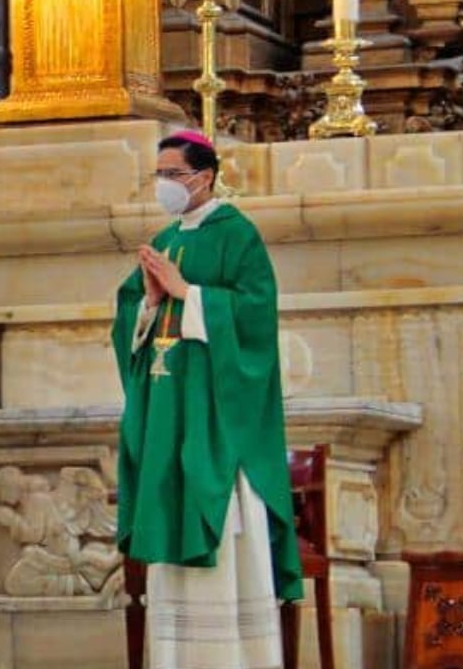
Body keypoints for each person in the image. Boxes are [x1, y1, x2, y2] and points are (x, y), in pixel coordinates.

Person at [112, 131, 300, 669]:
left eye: (174, 175)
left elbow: (256, 316)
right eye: (160, 176)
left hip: (217, 418)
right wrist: (148, 302)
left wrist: (187, 293)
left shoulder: (238, 235)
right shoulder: (165, 237)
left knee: (222, 530)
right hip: (172, 415)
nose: (165, 186)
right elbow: (130, 315)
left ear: (206, 177)